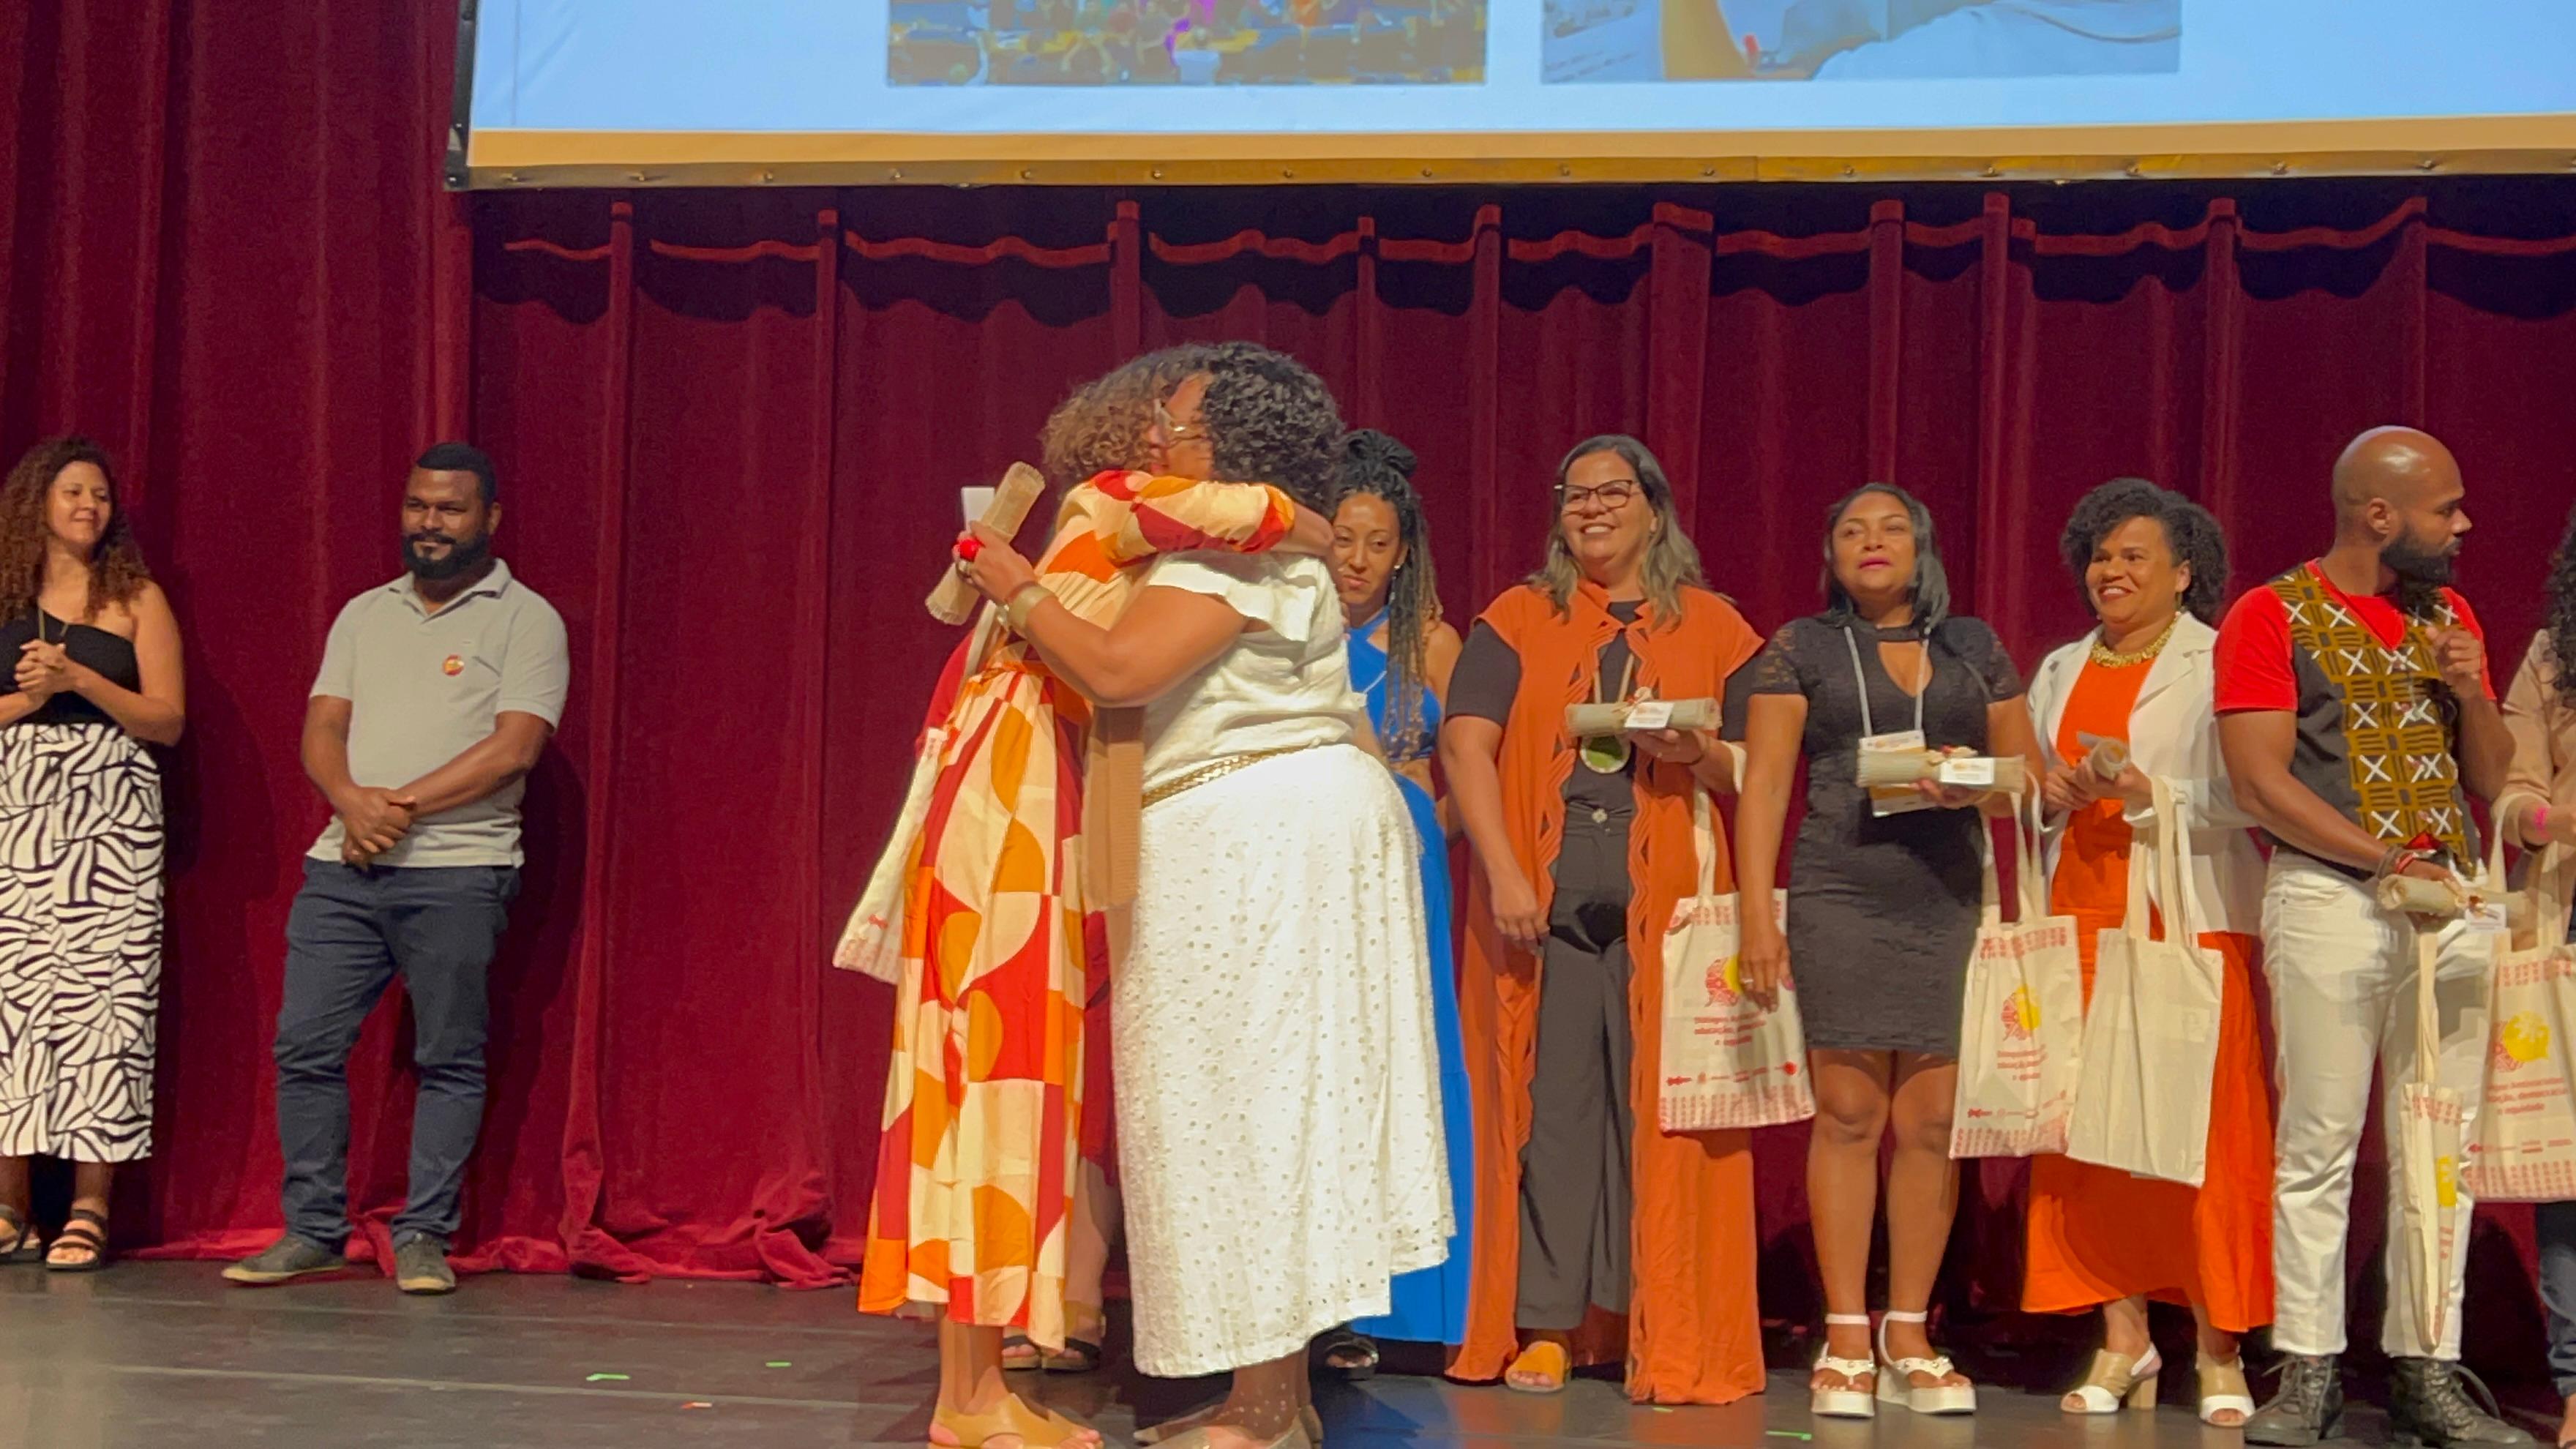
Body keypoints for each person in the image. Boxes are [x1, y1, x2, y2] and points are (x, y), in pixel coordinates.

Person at [956, 342, 1450, 1449]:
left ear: (1231, 444)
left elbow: (1119, 671)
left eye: (1176, 424)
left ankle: (1267, 1409)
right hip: (1246, 829)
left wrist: (1017, 586)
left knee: (1248, 1113)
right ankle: (1265, 1398)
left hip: (1256, 838)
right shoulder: (1245, 544)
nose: (1155, 437)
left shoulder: (1241, 553)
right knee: (1232, 1112)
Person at [857, 344, 1336, 1449]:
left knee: (983, 1076)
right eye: (1167, 425)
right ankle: (972, 1398)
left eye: (1182, 426)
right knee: (1003, 1076)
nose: (1173, 440)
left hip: (1009, 785)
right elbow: (1269, 514)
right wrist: (1316, 524)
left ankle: (976, 1386)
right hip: (1013, 796)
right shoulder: (1117, 501)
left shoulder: (1096, 520)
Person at [2215, 427, 2531, 1448]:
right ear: (2378, 514)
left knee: (2439, 1145)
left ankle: (2426, 1370)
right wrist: (2388, 861)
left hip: (2452, 908)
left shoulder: (2450, 616)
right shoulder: (2271, 614)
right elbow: (2259, 783)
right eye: (2446, 508)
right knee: (2319, 1140)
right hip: (2333, 902)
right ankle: (2307, 1370)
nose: (2463, 524)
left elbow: (2492, 779)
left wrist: (2470, 687)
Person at [1439, 435, 1766, 1404]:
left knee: (1661, 1124)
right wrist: (1504, 876)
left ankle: (1651, 1324)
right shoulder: (1517, 617)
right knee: (1553, 1117)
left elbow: (1755, 769)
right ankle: (1545, 1326)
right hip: (1543, 903)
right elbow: (1464, 746)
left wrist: (1695, 750)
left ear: (1653, 510)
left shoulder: (1715, 626)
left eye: (1613, 492)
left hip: (1668, 912)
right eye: (1575, 494)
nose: (1592, 509)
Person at [223, 442, 568, 1298]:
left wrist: (394, 808)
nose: (430, 523)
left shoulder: (527, 619)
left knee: (448, 1054)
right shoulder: (363, 614)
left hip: (459, 870)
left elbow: (514, 748)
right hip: (344, 868)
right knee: (305, 1045)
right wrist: (350, 803)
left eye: (450, 509)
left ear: (489, 518)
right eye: (418, 506)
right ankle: (312, 1229)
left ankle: (423, 1235)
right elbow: (322, 728)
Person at [1731, 482, 2041, 1420]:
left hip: (1945, 898)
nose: (1872, 541)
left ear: (1921, 547)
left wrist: (1970, 781)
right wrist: (1757, 916)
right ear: (1831, 555)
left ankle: (1908, 1331)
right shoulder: (1802, 647)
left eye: (1892, 527)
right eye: (1851, 530)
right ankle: (1845, 1334)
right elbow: (1764, 784)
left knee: (1934, 1121)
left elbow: (2026, 781)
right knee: (1849, 1111)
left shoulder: (1972, 646)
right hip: (1840, 891)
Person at [2018, 479, 2270, 1426]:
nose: (2111, 571)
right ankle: (2124, 1339)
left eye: (2133, 556)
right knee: (2094, 1142)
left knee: (2205, 1136)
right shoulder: (2059, 666)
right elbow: (2037, 792)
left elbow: (2252, 794)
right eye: (2100, 556)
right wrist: (2049, 791)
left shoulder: (2218, 660)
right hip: (2079, 916)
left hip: (2188, 916)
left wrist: (2145, 794)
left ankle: (2217, 1346)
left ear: (2184, 572)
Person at [0, 437, 184, 1272]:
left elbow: (167, 720)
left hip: (110, 821)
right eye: (73, 491)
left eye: (101, 495)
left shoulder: (136, 597)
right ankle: (9, 1206)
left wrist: (79, 682)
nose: (88, 506)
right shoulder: (7, 596)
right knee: (13, 1005)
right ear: (37, 500)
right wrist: (28, 699)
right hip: (16, 814)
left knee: (105, 1005)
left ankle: (88, 1206)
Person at [1313, 428, 1469, 1374]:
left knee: (1401, 1067)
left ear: (1403, 553)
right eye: (1344, 539)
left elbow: (1480, 769)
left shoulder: (1431, 642)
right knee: (1323, 1071)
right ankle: (1319, 1303)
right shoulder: (1288, 634)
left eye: (1378, 543)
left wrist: (1427, 826)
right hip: (1311, 867)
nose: (1358, 560)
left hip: (1406, 874)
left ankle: (1404, 1305)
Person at [2501, 501, 2576, 1449]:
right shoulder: (2556, 656)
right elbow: (2513, 788)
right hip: (2569, 921)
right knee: (2570, 1171)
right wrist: (2551, 820)